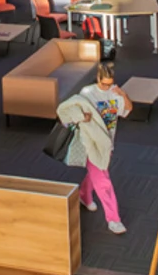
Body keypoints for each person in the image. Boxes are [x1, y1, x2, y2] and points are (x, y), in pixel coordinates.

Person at [57, 62, 133, 234]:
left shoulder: (115, 93)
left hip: (107, 143)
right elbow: (70, 109)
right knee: (103, 180)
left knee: (98, 171)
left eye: (110, 83)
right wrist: (82, 116)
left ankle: (84, 194)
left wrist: (123, 94)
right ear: (98, 78)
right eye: (104, 83)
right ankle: (113, 219)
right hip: (90, 142)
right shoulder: (88, 93)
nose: (107, 87)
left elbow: (128, 109)